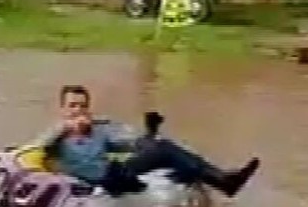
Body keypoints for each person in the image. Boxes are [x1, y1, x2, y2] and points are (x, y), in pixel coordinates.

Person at [31, 84, 260, 197]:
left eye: (82, 105)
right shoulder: (56, 135)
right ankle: (221, 181)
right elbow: (36, 150)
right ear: (62, 109)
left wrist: (149, 131)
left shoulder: (98, 131)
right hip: (88, 186)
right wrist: (66, 127)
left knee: (161, 148)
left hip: (115, 172)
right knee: (115, 173)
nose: (78, 110)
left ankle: (220, 180)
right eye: (72, 106)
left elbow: (131, 145)